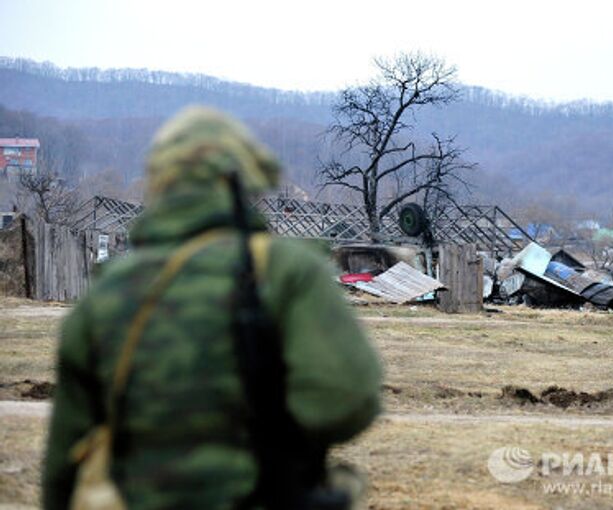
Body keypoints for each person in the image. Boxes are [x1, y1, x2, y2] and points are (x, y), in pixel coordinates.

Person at [43, 107, 382, 509]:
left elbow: (65, 461)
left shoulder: (104, 295)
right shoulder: (285, 270)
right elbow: (349, 399)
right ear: (241, 182)